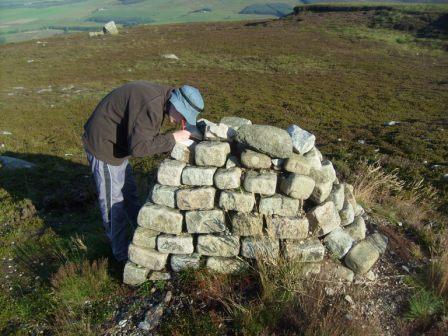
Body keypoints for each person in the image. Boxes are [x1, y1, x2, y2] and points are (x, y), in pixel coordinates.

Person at [82, 81, 204, 263]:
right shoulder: (152, 106)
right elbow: (139, 149)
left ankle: (140, 236)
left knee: (129, 195)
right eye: (183, 115)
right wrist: (173, 138)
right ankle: (122, 256)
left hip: (119, 145)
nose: (181, 121)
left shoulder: (162, 98)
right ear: (177, 104)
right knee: (113, 204)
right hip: (104, 146)